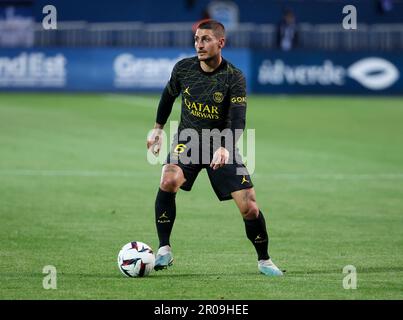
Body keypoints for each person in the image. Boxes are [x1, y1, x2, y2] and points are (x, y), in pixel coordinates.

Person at [146, 20, 283, 276]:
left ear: (221, 43)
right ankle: (164, 248)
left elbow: (239, 119)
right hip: (187, 140)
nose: (199, 44)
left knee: (249, 206)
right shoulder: (184, 69)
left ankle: (264, 260)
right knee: (168, 178)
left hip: (221, 144)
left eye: (206, 39)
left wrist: (225, 146)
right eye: (197, 39)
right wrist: (157, 128)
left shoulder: (234, 77)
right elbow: (167, 96)